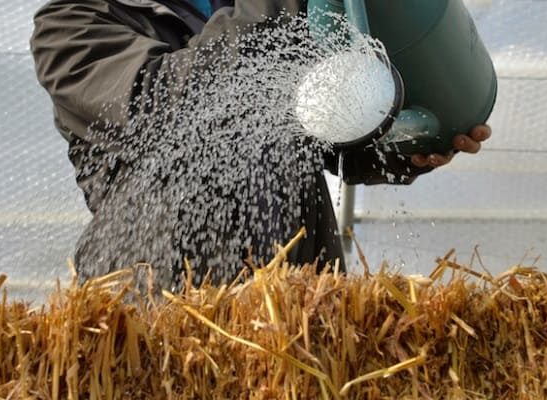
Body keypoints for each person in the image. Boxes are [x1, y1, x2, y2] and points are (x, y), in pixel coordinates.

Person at [30, 0, 492, 288]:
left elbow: (329, 135)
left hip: (292, 298)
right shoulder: (71, 23)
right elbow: (166, 106)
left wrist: (405, 149)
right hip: (160, 294)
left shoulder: (256, 9)